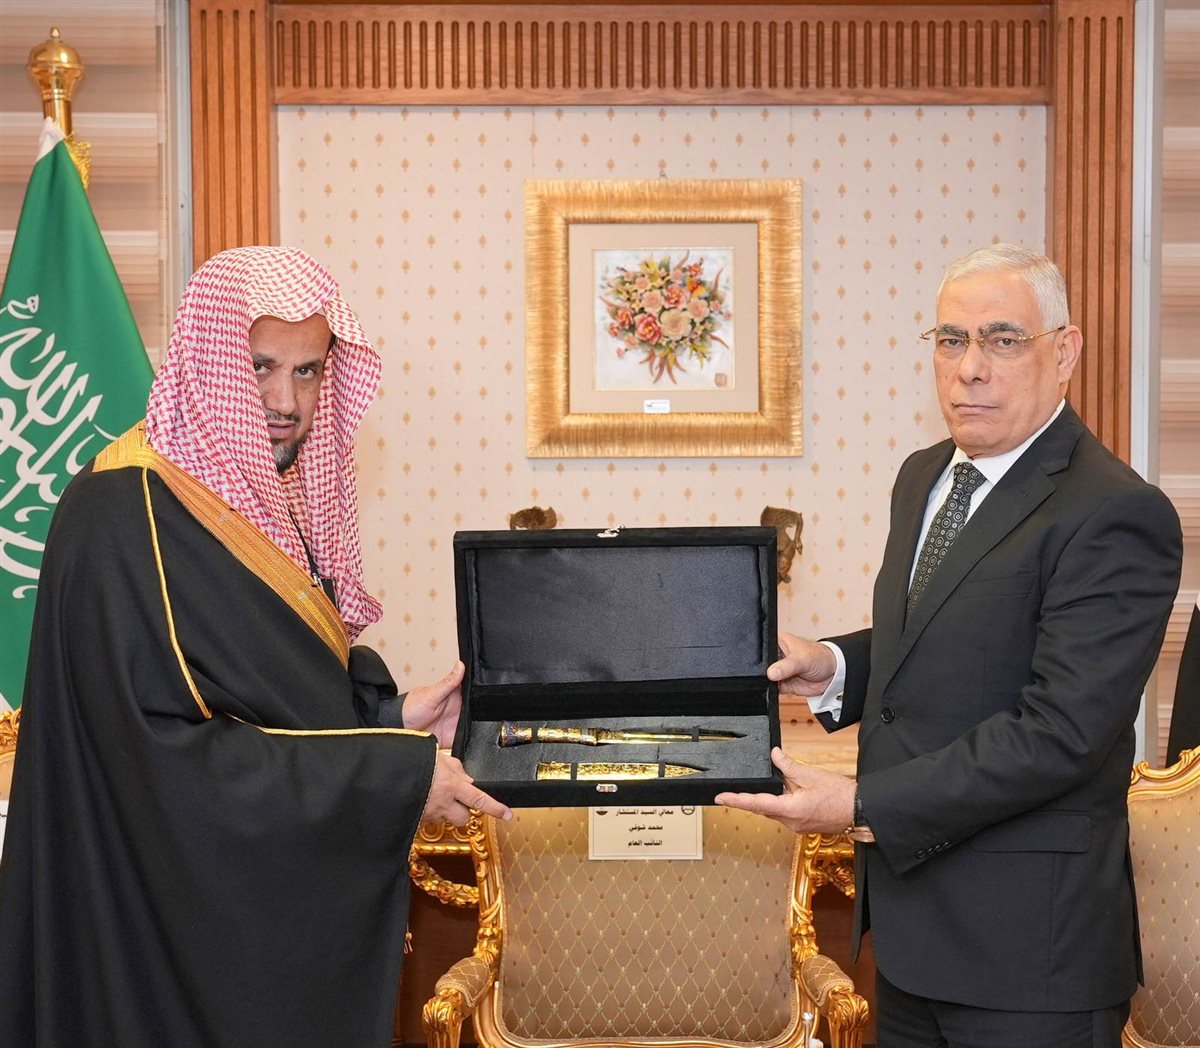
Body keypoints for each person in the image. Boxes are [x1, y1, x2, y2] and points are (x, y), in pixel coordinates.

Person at [0, 246, 510, 1047]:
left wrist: (392, 717)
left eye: (309, 372)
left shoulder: (251, 502)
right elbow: (160, 763)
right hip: (151, 937)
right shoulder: (123, 511)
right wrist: (393, 777)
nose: (285, 401)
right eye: (260, 367)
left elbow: (270, 692)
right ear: (208, 362)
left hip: (236, 922)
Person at [717, 244, 1182, 1047]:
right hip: (909, 943)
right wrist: (836, 666)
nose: (970, 368)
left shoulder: (1113, 511)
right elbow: (956, 636)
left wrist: (859, 805)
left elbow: (1060, 732)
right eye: (951, 340)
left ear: (1064, 353)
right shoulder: (925, 475)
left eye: (1003, 340)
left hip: (1031, 960)